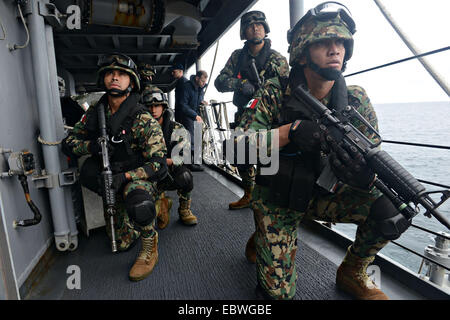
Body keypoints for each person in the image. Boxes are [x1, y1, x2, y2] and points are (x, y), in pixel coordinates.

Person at [232, 2, 406, 300]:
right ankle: (266, 235)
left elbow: (371, 154)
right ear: (302, 52)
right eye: (324, 42)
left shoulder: (356, 100)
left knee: (391, 210)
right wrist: (291, 132)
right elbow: (237, 150)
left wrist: (364, 175)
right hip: (279, 197)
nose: (335, 49)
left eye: (340, 42)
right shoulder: (275, 91)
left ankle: (353, 270)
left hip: (326, 194)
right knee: (278, 296)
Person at [62, 53, 168, 282]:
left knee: (139, 203)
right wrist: (91, 147)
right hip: (109, 179)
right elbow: (68, 144)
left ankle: (150, 245)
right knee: (120, 244)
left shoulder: (142, 118)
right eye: (110, 73)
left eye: (121, 74)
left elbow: (158, 165)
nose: (115, 78)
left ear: (132, 81)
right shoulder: (94, 113)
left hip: (136, 178)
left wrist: (127, 176)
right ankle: (133, 217)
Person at [214, 10, 289, 210]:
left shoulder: (277, 59)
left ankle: (265, 199)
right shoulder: (237, 57)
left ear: (265, 29)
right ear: (244, 32)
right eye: (250, 26)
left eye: (259, 25)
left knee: (268, 159)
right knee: (239, 154)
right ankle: (248, 193)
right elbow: (219, 82)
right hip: (244, 115)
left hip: (269, 118)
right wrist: (240, 84)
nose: (255, 28)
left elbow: (286, 89)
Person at [142, 87, 198, 227]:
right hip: (147, 172)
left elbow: (185, 156)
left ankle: (184, 209)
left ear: (163, 107)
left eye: (157, 106)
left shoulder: (176, 128)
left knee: (185, 176)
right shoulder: (138, 129)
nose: (153, 110)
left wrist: (168, 161)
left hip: (169, 169)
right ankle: (162, 204)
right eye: (149, 106)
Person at [179, 70, 208, 172]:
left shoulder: (201, 89)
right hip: (187, 115)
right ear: (197, 78)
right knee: (191, 138)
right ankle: (191, 164)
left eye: (205, 82)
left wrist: (202, 102)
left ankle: (195, 162)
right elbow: (183, 104)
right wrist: (195, 115)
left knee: (198, 138)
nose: (203, 84)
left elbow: (198, 100)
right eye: (202, 81)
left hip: (196, 116)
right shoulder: (186, 87)